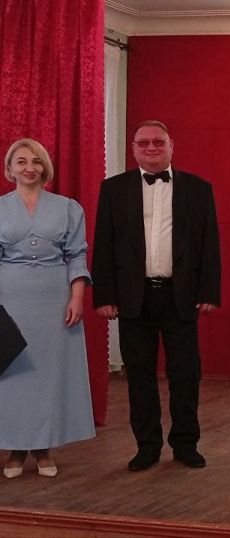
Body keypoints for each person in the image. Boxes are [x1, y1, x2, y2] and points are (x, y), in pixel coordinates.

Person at [92, 120, 221, 472]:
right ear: (134, 148)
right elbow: (103, 244)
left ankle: (186, 444)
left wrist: (209, 290)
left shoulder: (198, 189)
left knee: (185, 375)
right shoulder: (114, 189)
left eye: (158, 142)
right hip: (133, 297)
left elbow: (210, 244)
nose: (151, 148)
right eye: (144, 143)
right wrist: (104, 295)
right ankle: (147, 447)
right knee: (139, 376)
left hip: (181, 296)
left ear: (171, 145)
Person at [0, 139, 95, 478]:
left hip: (55, 303)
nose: (30, 168)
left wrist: (77, 297)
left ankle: (43, 448)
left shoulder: (68, 208)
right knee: (13, 376)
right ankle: (15, 449)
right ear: (10, 169)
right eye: (21, 161)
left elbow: (77, 255)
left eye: (36, 161)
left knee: (48, 377)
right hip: (9, 302)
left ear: (45, 167)